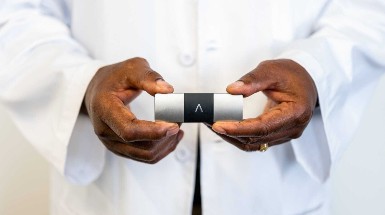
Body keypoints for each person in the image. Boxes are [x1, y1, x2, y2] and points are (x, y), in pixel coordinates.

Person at [0, 0, 384, 214]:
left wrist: (317, 71)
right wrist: (82, 84)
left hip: (275, 190)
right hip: (114, 195)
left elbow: (368, 11)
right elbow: (15, 13)